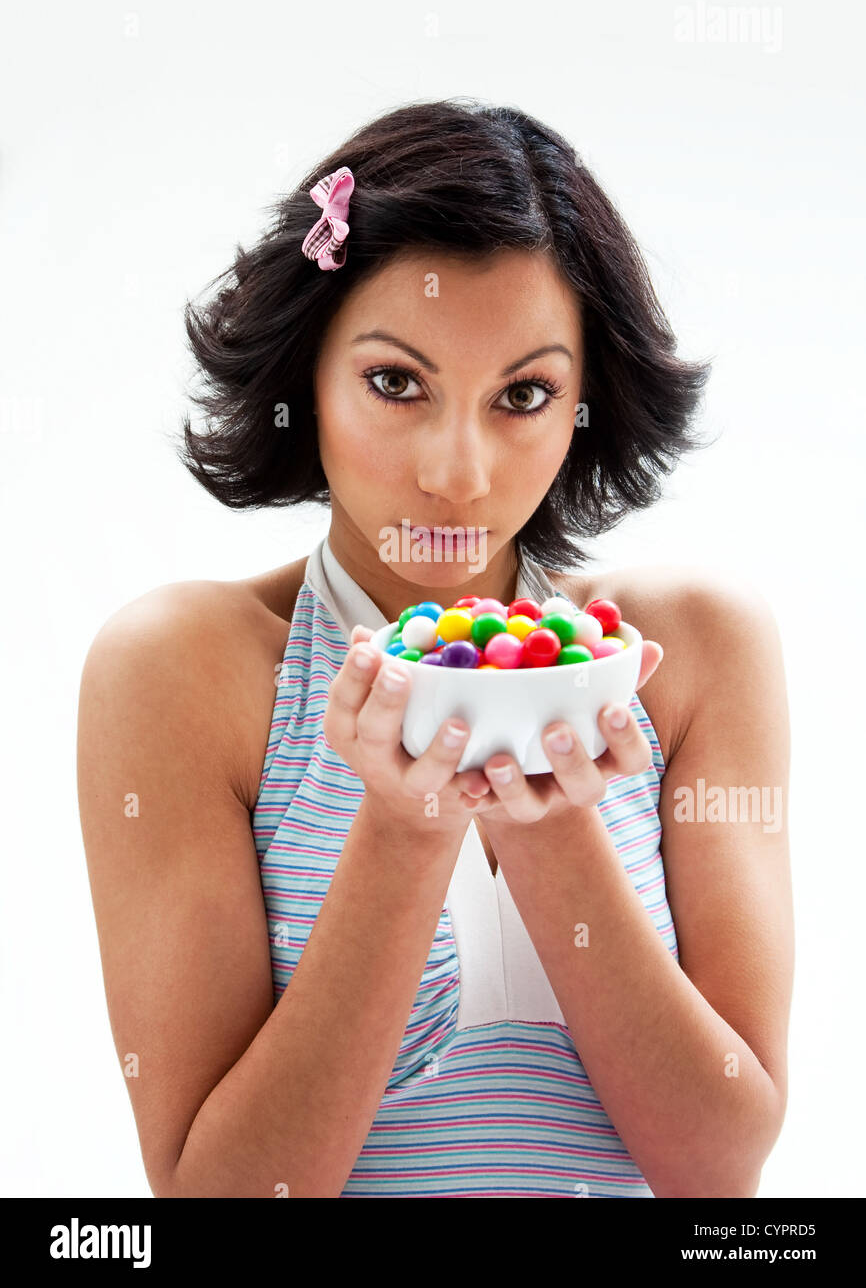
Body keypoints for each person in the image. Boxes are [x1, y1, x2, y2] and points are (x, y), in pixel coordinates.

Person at [76, 97, 793, 1198]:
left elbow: (716, 1172)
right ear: (306, 372)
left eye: (522, 394)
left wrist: (546, 823)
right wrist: (406, 832)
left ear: (583, 402)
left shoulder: (689, 654)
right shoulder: (184, 672)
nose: (457, 473)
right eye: (396, 382)